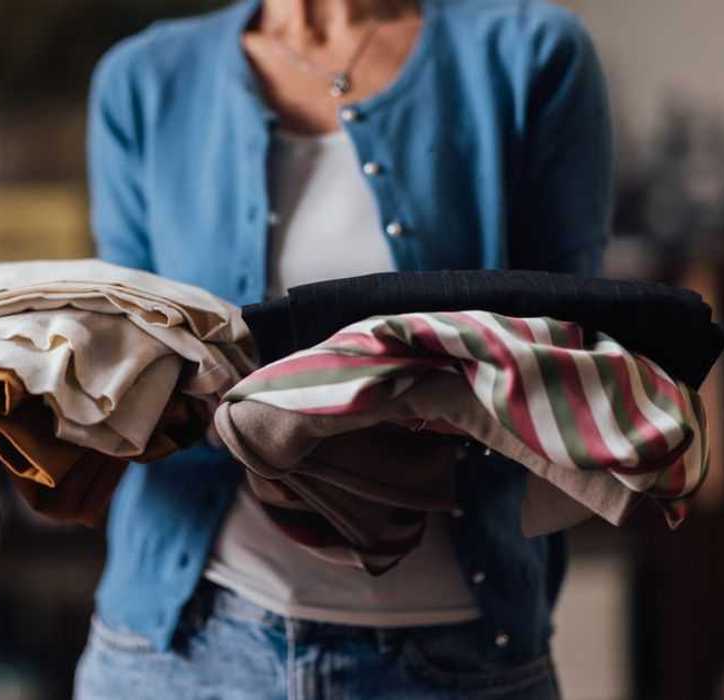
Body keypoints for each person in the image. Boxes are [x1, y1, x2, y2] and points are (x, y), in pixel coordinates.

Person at [74, 0, 612, 697]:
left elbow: (568, 356)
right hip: (177, 652)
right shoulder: (143, 79)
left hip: (457, 658)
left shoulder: (530, 54)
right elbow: (130, 356)